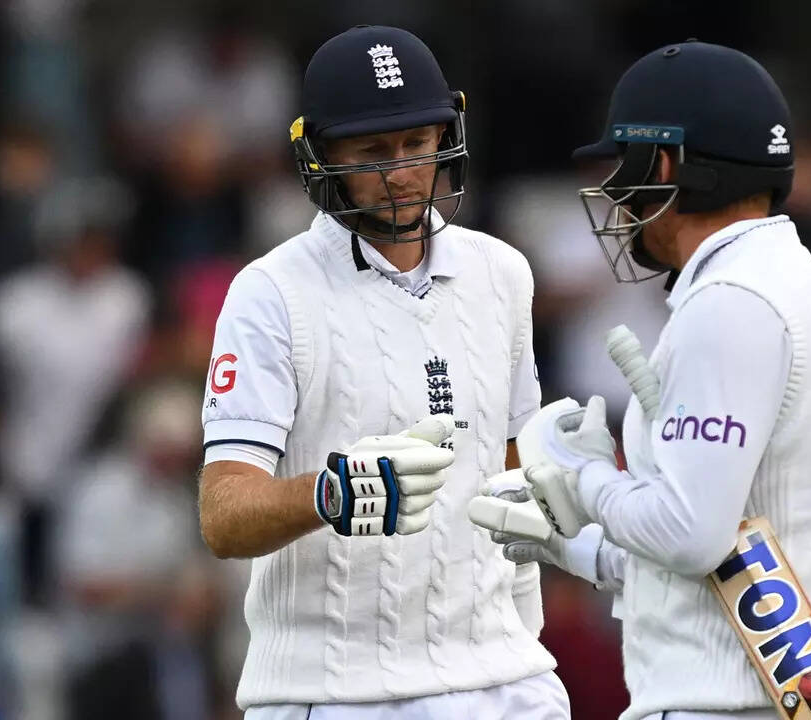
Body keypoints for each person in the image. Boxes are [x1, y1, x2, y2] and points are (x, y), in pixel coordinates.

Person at [471, 41, 811, 719]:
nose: (618, 190)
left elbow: (689, 533)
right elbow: (723, 557)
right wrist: (572, 543)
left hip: (734, 704)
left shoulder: (732, 300)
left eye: (627, 163)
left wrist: (584, 478)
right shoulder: (801, 288)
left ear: (665, 164)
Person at [196, 25, 570, 719]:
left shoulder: (503, 273)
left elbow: (511, 474)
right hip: (332, 689)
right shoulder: (270, 292)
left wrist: (567, 491)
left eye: (417, 143)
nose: (401, 172)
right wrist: (331, 493)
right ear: (320, 155)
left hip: (506, 676)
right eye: (371, 151)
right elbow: (223, 516)